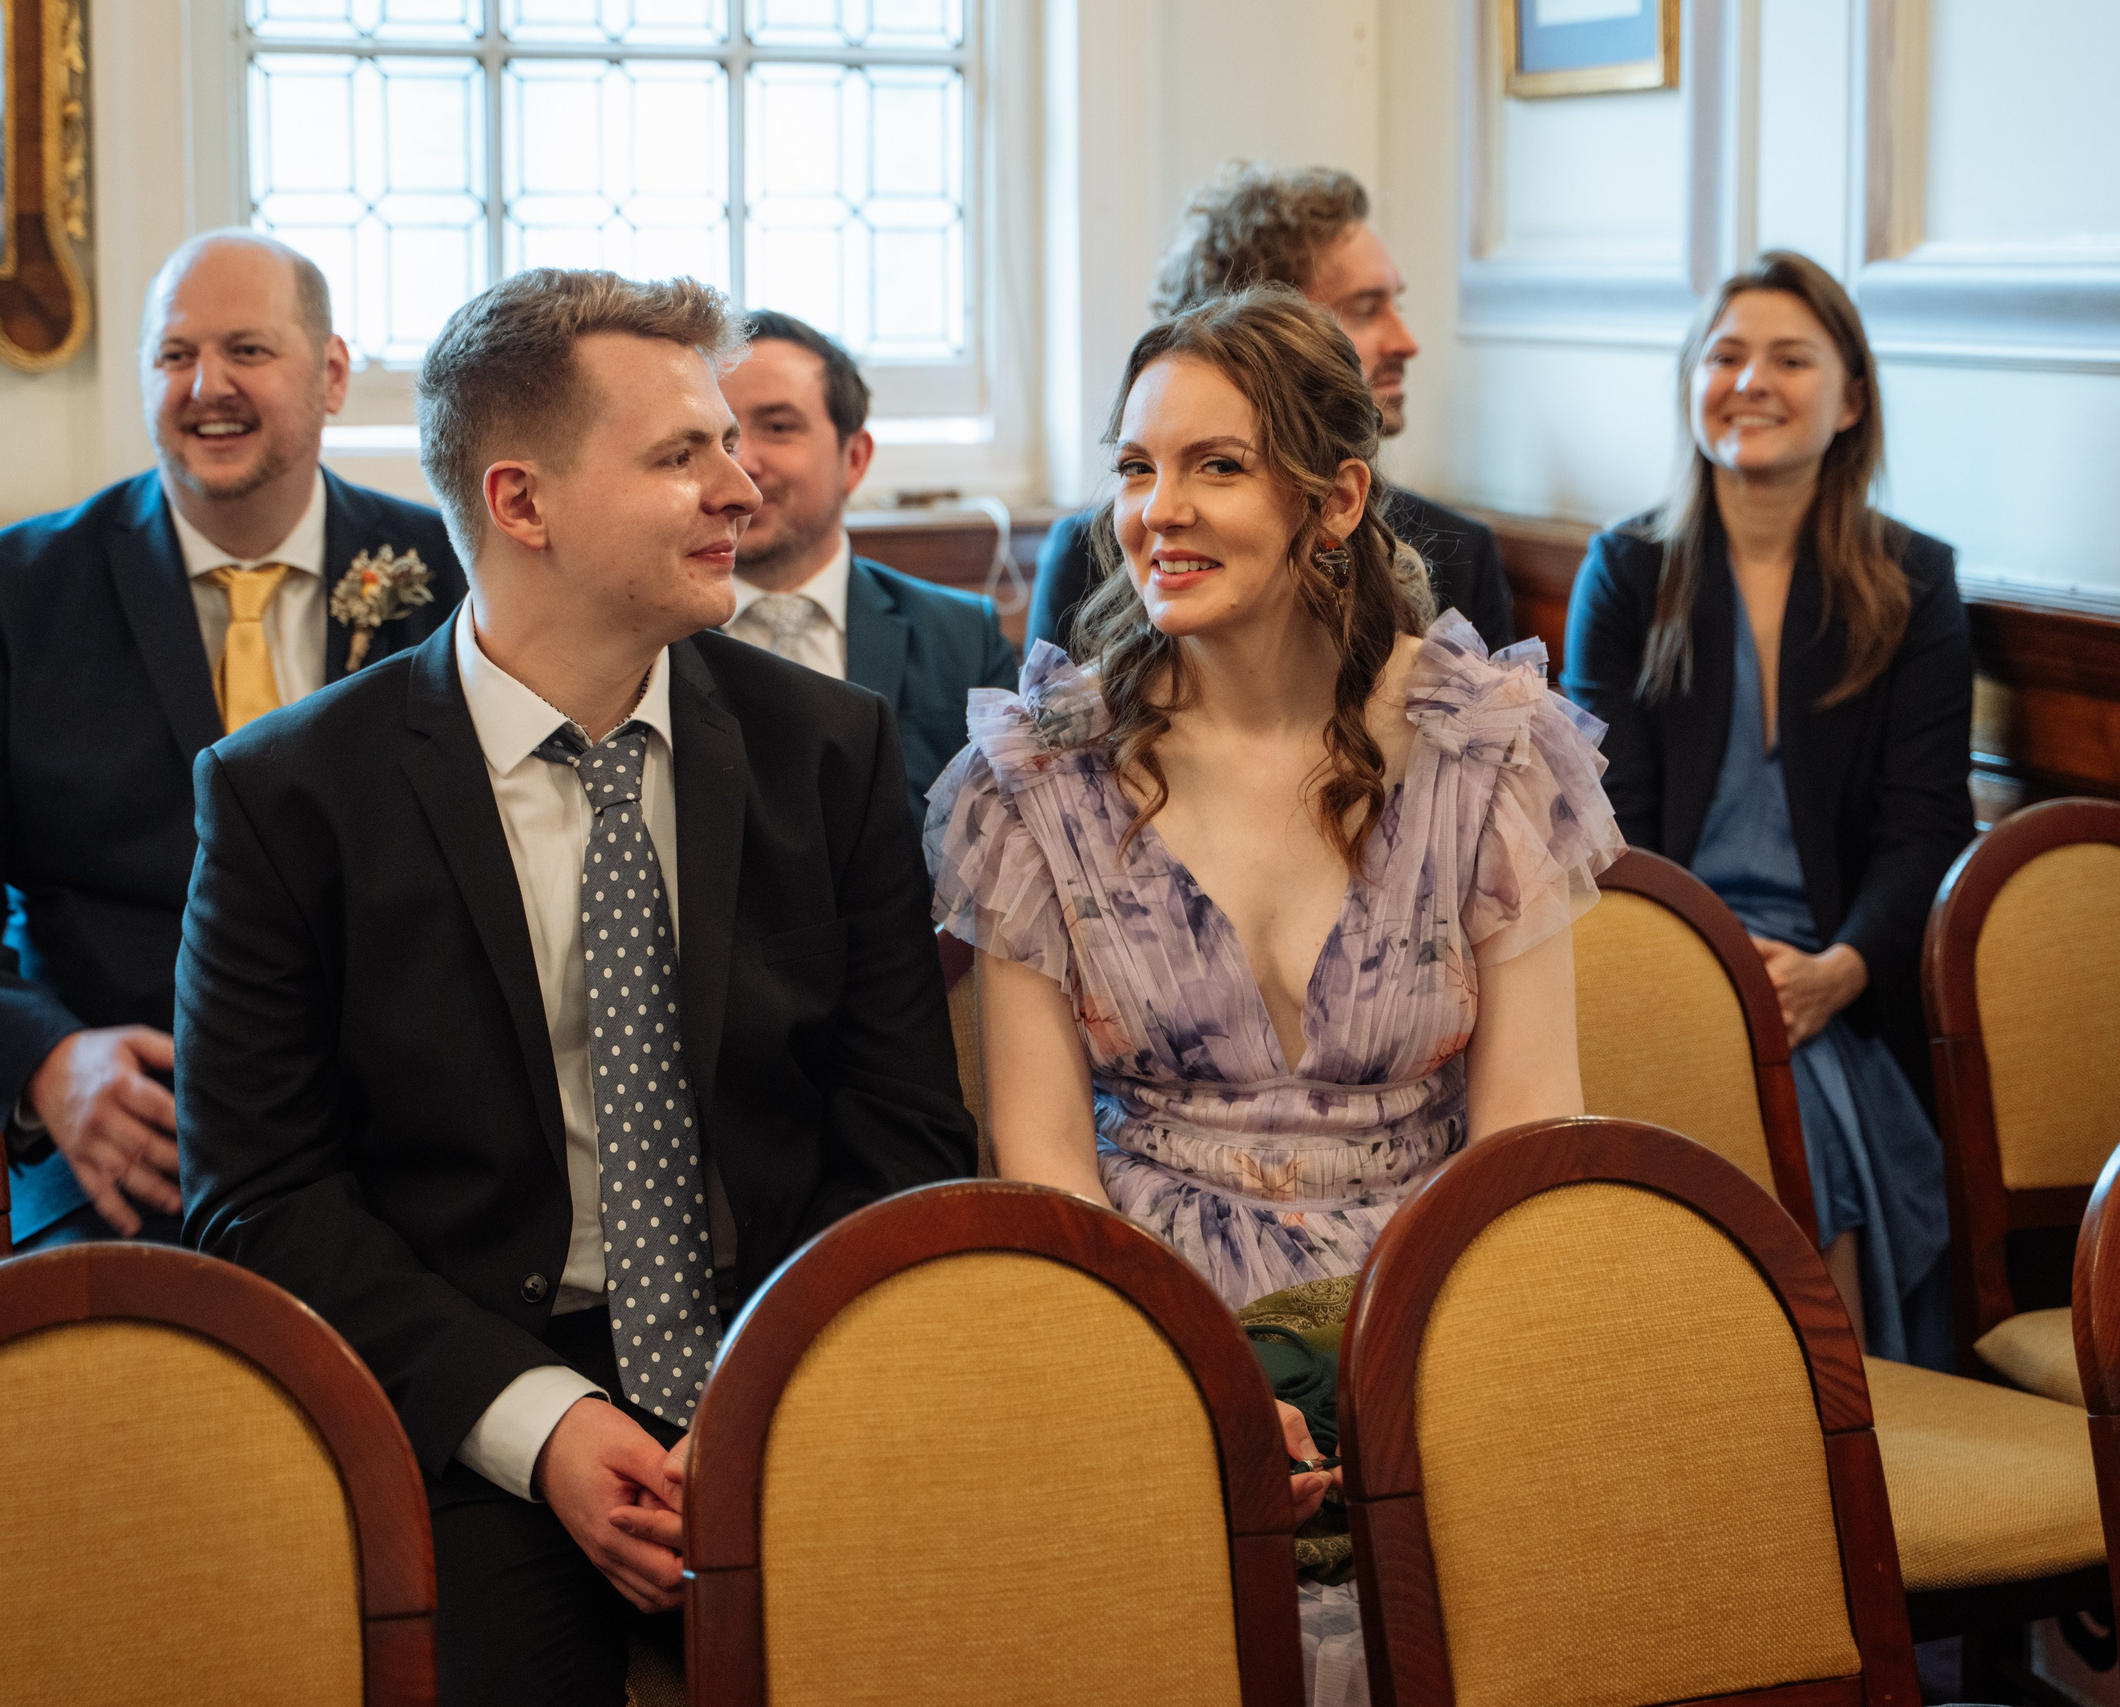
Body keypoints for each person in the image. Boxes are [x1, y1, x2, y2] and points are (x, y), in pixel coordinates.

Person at [174, 268, 977, 1707]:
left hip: (791, 1356)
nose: (742, 486)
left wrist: (772, 1383)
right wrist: (538, 1424)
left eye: (731, 441)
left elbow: (905, 1128)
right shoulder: (294, 794)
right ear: (522, 503)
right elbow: (258, 1186)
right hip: (473, 1387)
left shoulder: (826, 749)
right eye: (682, 455)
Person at [926, 284, 1623, 1706]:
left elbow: (1530, 1129)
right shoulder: (1040, 779)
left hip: (1432, 1298)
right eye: (1136, 466)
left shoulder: (1486, 753)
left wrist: (1410, 1373)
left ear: (1337, 495)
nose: (1156, 511)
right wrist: (1194, 1370)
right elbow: (1046, 1162)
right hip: (1137, 1301)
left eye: (1215, 466)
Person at [0, 230, 463, 1249]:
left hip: (421, 1153)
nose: (205, 386)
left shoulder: (452, 574)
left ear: (334, 374)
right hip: (133, 1161)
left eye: (247, 351)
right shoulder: (10, 595)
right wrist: (47, 1064)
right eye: (174, 356)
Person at [1560, 250, 1972, 1369]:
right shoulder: (1628, 570)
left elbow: (1925, 828)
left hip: (1836, 984)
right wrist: (1709, 969)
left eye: (1791, 358)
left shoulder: (1917, 586)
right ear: (1692, 386)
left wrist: (1838, 969)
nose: (1751, 380)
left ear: (1850, 400)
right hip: (1661, 957)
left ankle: (1837, 1429)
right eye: (1724, 355)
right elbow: (1606, 819)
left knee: (1810, 1097)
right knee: (1794, 1112)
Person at [1025, 163, 1515, 656]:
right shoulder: (1095, 557)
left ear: (1344, 500)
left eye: (1220, 465)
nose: (1405, 342)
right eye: (1365, 309)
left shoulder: (1456, 551)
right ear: (1267, 323)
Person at [718, 309, 1019, 815]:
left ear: (854, 459)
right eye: (721, 434)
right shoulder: (648, 643)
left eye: (778, 426)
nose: (741, 462)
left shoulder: (963, 640)